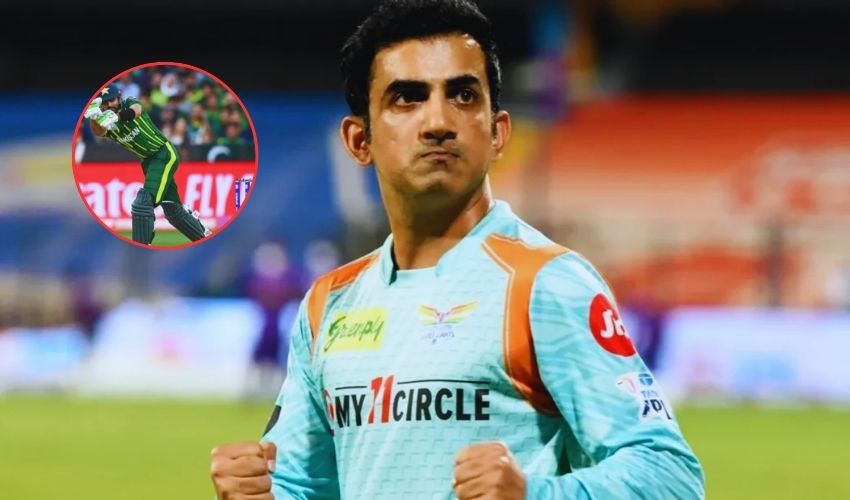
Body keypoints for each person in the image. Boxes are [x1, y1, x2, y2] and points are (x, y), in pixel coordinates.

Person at [210, 1, 705, 499]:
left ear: (498, 133)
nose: (438, 122)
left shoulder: (544, 284)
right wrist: (261, 493)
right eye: (407, 98)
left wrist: (531, 493)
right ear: (360, 140)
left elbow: (672, 476)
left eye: (463, 96)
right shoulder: (329, 304)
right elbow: (304, 486)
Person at [85, 85, 211, 244]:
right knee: (172, 209)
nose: (110, 105)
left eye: (112, 100)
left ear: (119, 97)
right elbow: (99, 132)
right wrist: (94, 118)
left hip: (163, 153)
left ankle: (140, 247)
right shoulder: (105, 122)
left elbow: (137, 110)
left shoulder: (129, 102)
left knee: (143, 203)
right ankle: (205, 238)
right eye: (105, 102)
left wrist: (117, 117)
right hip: (148, 162)